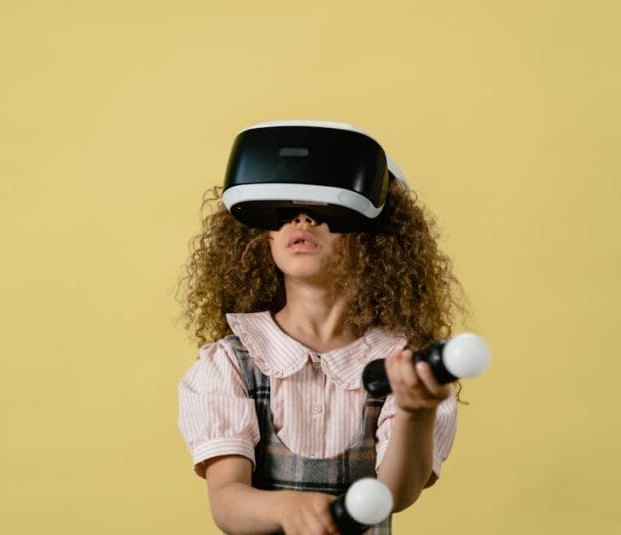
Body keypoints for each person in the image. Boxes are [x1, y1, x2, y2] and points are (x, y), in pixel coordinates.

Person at [177, 177, 464, 535]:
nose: (302, 221)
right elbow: (227, 503)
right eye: (284, 212)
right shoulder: (232, 362)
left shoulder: (400, 365)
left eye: (327, 209)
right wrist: (285, 507)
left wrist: (414, 412)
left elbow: (396, 494)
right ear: (258, 236)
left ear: (375, 237)